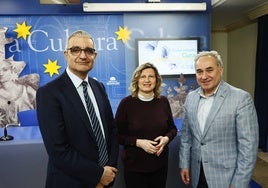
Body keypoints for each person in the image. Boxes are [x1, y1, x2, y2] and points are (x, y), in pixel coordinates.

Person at [36, 30, 118, 188]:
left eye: (89, 50)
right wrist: (98, 174)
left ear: (95, 56)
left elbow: (112, 131)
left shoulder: (99, 87)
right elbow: (58, 150)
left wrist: (109, 172)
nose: (83, 55)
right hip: (70, 182)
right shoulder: (49, 93)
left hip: (106, 180)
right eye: (75, 50)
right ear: (66, 54)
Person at [179, 50, 259, 188]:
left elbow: (248, 147)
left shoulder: (241, 99)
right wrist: (184, 164)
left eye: (209, 70)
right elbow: (186, 137)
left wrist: (239, 183)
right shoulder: (190, 98)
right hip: (197, 174)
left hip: (227, 178)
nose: (204, 76)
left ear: (220, 70)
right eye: (199, 71)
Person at [115, 62, 177, 188]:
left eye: (151, 76)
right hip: (135, 168)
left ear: (156, 80)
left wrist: (166, 139)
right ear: (137, 80)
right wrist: (138, 142)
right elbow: (117, 135)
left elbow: (172, 129)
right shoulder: (126, 103)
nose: (147, 80)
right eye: (143, 76)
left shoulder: (163, 101)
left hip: (160, 165)